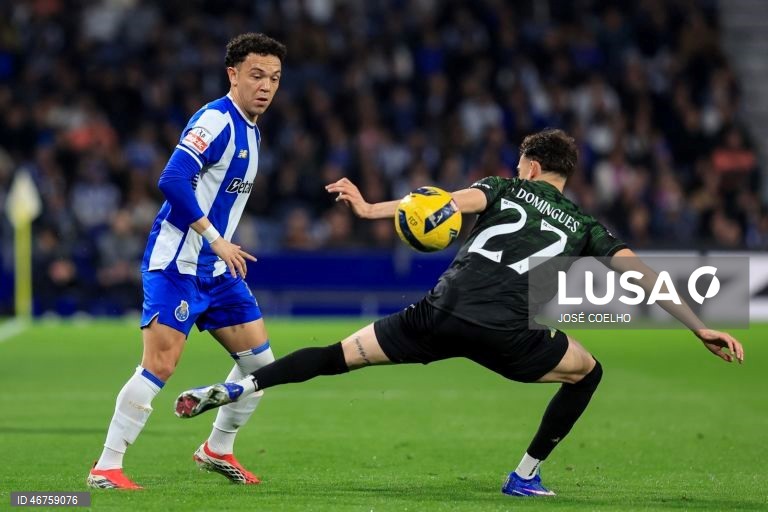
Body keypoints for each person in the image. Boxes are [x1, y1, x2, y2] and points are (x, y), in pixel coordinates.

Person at [173, 129, 744, 497]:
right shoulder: (587, 226)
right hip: (507, 332)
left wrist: (369, 209)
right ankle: (524, 475)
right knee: (588, 371)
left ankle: (237, 388)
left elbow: (439, 203)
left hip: (438, 313)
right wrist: (700, 327)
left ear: (530, 166)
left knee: (335, 356)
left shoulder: (503, 188)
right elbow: (641, 276)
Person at [87, 33, 287, 490]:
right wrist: (216, 239)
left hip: (217, 270)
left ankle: (217, 448)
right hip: (178, 263)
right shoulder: (216, 120)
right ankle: (106, 467)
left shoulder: (253, 132)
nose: (266, 86)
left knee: (262, 368)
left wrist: (219, 247)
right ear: (233, 75)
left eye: (274, 78)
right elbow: (172, 179)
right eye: (256, 75)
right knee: (159, 365)